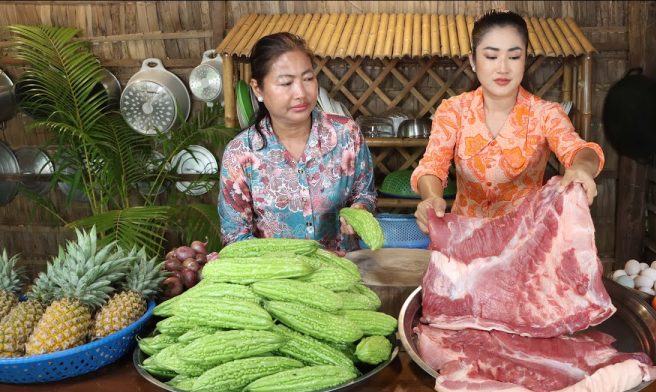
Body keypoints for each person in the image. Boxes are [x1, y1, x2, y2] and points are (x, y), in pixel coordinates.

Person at [411, 10, 604, 233]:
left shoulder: (546, 113)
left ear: (525, 60)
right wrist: (432, 197)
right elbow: (432, 165)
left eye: (513, 57)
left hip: (526, 242)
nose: (503, 67)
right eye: (491, 57)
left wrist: (582, 167)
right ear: (473, 60)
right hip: (465, 239)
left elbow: (580, 150)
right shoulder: (454, 110)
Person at [218, 32, 376, 253]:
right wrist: (290, 266)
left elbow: (364, 193)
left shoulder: (346, 135)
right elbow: (234, 236)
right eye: (286, 83)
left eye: (308, 78)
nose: (301, 93)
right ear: (258, 89)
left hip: (343, 273)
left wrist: (360, 210)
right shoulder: (241, 154)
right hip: (276, 283)